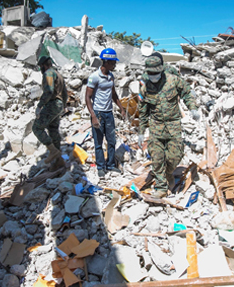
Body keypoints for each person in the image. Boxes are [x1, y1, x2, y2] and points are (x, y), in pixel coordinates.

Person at [138, 56, 200, 198]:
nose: (153, 76)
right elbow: (142, 112)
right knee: (157, 157)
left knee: (175, 156)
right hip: (156, 126)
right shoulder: (145, 88)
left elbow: (187, 92)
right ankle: (161, 187)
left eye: (156, 73)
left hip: (173, 125)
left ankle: (168, 174)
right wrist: (141, 132)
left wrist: (193, 108)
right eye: (150, 74)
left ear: (161, 70)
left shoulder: (173, 80)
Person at [86, 48, 126, 178]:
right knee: (98, 142)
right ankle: (100, 167)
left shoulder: (111, 76)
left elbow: (113, 94)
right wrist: (93, 116)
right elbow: (87, 97)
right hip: (98, 112)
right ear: (106, 62)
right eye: (113, 62)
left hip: (109, 113)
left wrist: (121, 108)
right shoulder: (94, 77)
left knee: (111, 140)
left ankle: (110, 165)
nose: (114, 65)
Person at [32, 55, 68, 170]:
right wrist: (63, 106)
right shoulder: (58, 74)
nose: (41, 69)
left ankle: (53, 151)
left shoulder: (48, 73)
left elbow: (48, 91)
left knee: (37, 128)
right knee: (53, 130)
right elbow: (65, 93)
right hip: (59, 105)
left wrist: (39, 106)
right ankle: (59, 161)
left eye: (41, 67)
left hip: (52, 104)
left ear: (45, 65)